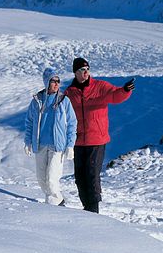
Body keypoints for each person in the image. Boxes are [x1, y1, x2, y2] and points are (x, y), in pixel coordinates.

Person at [65, 57, 135, 213]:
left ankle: (94, 208)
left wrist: (125, 90)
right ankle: (86, 207)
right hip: (77, 141)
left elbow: (115, 95)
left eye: (88, 69)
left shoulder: (100, 86)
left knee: (91, 174)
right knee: (80, 176)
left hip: (96, 139)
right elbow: (62, 113)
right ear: (75, 72)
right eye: (82, 70)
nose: (86, 72)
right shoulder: (69, 93)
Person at [24, 67, 77, 206]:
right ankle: (57, 201)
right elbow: (29, 122)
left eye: (58, 81)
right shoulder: (37, 101)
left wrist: (70, 145)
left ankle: (53, 207)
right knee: (41, 179)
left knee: (52, 180)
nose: (56, 84)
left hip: (57, 146)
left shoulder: (64, 100)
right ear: (46, 82)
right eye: (53, 81)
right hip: (40, 144)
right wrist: (28, 141)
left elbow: (72, 123)